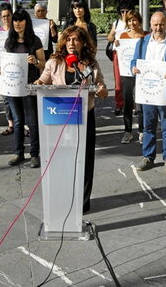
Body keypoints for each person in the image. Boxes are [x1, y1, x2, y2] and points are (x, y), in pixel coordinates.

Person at [35, 25, 108, 212]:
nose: (71, 43)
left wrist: (101, 91)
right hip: (60, 117)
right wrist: (39, 83)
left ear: (83, 42)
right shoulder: (54, 62)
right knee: (62, 159)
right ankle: (63, 197)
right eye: (68, 39)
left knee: (85, 159)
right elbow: (43, 80)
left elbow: (103, 90)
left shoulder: (90, 65)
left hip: (85, 116)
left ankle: (82, 202)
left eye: (75, 39)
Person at [131, 11, 166, 173]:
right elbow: (134, 61)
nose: (158, 27)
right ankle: (148, 156)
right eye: (155, 24)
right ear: (150, 24)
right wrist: (133, 68)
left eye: (161, 24)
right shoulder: (142, 43)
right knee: (148, 126)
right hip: (147, 92)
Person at [0, 9, 45, 167]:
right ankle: (18, 153)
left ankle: (34, 154)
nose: (17, 23)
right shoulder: (9, 42)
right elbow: (5, 63)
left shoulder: (34, 41)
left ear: (27, 22)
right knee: (17, 121)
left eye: (21, 20)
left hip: (30, 85)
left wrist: (35, 62)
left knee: (32, 121)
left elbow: (44, 63)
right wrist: (0, 69)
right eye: (15, 20)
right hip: (13, 86)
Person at [115, 9, 147, 143]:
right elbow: (119, 54)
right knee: (128, 102)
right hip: (127, 73)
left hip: (142, 73)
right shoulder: (123, 36)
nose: (132, 23)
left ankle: (142, 130)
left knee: (141, 103)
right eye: (129, 20)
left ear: (139, 21)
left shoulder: (146, 35)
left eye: (134, 20)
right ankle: (127, 131)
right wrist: (116, 45)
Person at [106, 3, 130, 116]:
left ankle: (132, 104)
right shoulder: (116, 23)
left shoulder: (133, 22)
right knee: (119, 82)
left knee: (131, 80)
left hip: (130, 54)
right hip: (118, 53)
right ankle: (119, 104)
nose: (124, 14)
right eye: (122, 11)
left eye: (127, 11)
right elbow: (109, 37)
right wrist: (114, 37)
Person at [0, 3, 15, 135]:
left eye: (8, 15)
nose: (6, 18)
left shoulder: (17, 30)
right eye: (3, 16)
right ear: (0, 17)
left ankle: (22, 125)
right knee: (6, 99)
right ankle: (11, 124)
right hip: (2, 70)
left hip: (16, 69)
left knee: (19, 97)